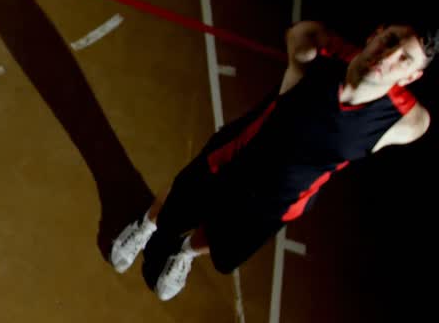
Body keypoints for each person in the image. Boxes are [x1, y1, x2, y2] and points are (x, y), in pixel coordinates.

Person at [110, 21, 433, 300]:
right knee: (180, 201)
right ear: (376, 34)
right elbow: (303, 32)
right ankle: (146, 227)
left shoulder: (405, 122)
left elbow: (421, 120)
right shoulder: (317, 54)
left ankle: (184, 252)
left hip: (280, 202)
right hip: (238, 157)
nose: (388, 56)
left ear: (411, 77)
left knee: (223, 241)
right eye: (390, 40)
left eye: (404, 59)